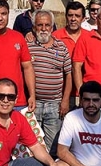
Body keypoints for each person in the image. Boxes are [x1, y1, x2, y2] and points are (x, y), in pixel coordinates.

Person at [28, 10, 72, 152]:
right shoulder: (27, 46)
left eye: (47, 25)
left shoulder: (61, 47)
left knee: (53, 146)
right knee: (33, 146)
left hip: (55, 104)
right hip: (33, 104)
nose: (44, 28)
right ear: (34, 27)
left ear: (53, 27)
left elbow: (69, 74)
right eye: (40, 25)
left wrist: (65, 100)